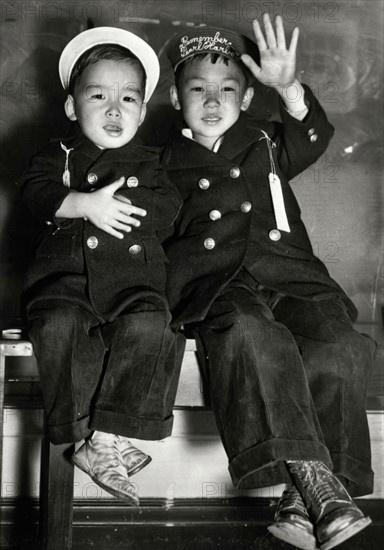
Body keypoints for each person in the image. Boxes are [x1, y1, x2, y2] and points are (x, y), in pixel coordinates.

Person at [162, 14, 376, 550]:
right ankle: (315, 480)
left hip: (293, 277)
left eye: (228, 89)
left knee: (340, 342)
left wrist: (289, 89)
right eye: (198, 89)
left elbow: (313, 135)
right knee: (251, 334)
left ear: (248, 96)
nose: (214, 100)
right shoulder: (161, 164)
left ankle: (310, 498)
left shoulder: (266, 140)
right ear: (173, 97)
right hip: (220, 283)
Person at [20, 26, 182, 505]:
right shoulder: (59, 154)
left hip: (134, 281)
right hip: (65, 279)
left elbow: (170, 206)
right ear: (72, 107)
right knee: (59, 325)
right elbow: (36, 190)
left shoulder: (154, 163)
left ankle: (105, 438)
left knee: (154, 327)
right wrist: (82, 204)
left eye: (129, 97)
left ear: (143, 110)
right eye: (99, 95)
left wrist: (131, 205)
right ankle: (88, 437)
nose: (115, 108)